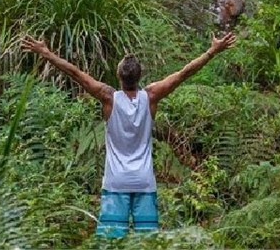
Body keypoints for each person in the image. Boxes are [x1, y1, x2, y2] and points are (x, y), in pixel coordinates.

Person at [21, 31, 236, 239]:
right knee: (148, 242)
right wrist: (212, 51)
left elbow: (77, 74)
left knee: (111, 242)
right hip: (144, 181)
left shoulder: (108, 98)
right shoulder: (151, 96)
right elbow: (183, 74)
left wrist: (46, 52)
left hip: (116, 182)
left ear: (118, 75)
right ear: (139, 75)